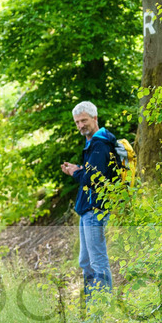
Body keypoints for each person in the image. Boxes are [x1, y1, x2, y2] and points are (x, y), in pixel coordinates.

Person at [60, 101, 117, 302]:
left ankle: (102, 307)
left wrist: (75, 173)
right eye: (77, 122)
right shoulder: (93, 143)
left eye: (84, 120)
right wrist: (79, 169)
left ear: (95, 118)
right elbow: (93, 172)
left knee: (97, 261)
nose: (80, 125)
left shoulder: (100, 144)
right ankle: (92, 303)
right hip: (87, 210)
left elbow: (94, 178)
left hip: (95, 209)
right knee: (85, 261)